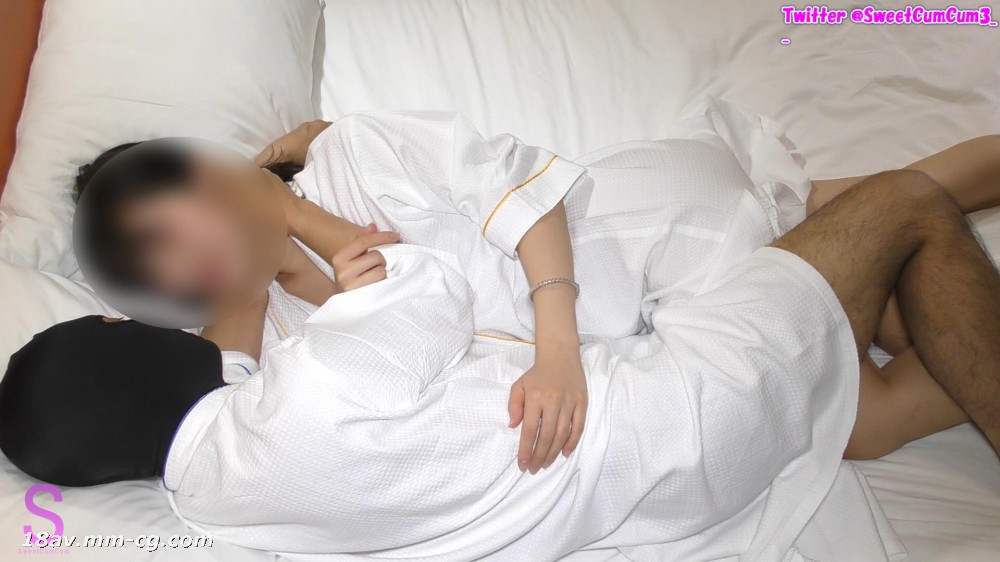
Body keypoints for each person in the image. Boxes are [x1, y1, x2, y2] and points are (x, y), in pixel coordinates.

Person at [1, 98, 997, 559]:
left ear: (208, 179)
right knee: (865, 390)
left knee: (881, 243)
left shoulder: (350, 162)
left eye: (170, 225)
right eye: (154, 266)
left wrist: (559, 348)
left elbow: (523, 195)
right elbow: (208, 393)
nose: (183, 261)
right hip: (640, 342)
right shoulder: (276, 346)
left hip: (632, 244)